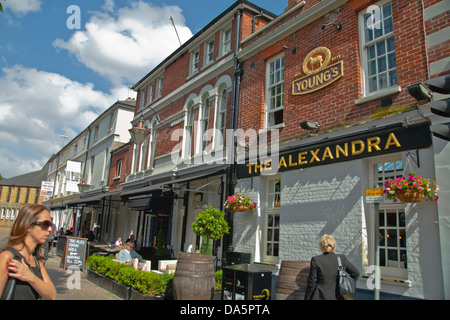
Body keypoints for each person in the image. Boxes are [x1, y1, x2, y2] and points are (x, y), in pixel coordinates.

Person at [0, 204, 57, 300]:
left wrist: (29, 276)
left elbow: (52, 295)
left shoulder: (37, 262)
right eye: (45, 224)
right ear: (28, 226)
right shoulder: (8, 257)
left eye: (50, 225)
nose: (50, 229)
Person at [305, 234, 359, 300]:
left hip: (320, 296)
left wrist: (307, 298)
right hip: (338, 297)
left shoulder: (316, 260)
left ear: (321, 246)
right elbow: (356, 273)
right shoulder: (341, 259)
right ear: (334, 246)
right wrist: (347, 284)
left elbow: (312, 283)